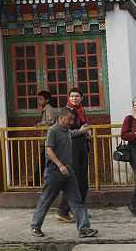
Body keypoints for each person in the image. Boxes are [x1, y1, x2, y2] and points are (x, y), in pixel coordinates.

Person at [30, 107, 98, 238]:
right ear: (60, 118)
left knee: (76, 200)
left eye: (72, 119)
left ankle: (84, 228)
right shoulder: (53, 131)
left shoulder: (67, 131)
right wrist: (60, 165)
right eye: (69, 119)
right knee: (46, 200)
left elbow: (73, 133)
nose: (71, 122)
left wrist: (82, 130)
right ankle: (35, 226)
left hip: (68, 171)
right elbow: (48, 150)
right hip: (55, 172)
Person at [56, 87, 91, 222]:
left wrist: (87, 134)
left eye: (77, 96)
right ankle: (63, 210)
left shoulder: (81, 110)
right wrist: (81, 132)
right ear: (69, 98)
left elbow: (83, 126)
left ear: (81, 98)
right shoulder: (66, 112)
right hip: (71, 148)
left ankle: (79, 210)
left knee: (83, 181)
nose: (74, 98)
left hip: (82, 146)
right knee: (74, 181)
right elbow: (63, 132)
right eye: (72, 96)